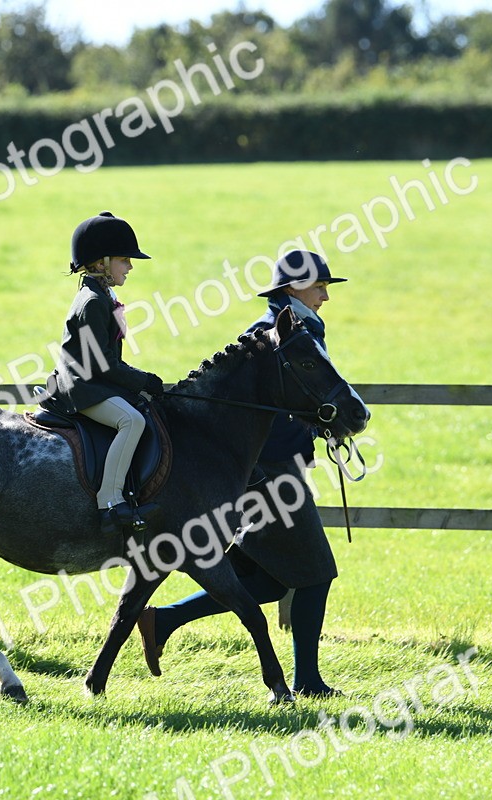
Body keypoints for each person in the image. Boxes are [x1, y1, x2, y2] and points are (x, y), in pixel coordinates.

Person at [136, 250, 347, 697]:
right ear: (293, 290)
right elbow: (252, 420)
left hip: (278, 471)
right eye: (320, 286)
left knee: (269, 579)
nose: (326, 295)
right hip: (268, 476)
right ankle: (307, 682)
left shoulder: (303, 328)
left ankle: (163, 619)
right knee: (315, 573)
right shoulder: (269, 337)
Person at [43, 212, 165, 535]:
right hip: (83, 388)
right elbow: (104, 364)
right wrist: (143, 381)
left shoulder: (104, 296)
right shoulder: (93, 303)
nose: (130, 266)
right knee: (132, 420)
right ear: (101, 263)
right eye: (124, 260)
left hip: (95, 382)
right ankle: (110, 502)